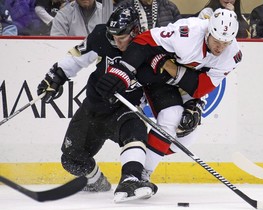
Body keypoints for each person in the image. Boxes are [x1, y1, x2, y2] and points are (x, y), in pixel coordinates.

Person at [94, 8, 242, 182]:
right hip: (153, 73)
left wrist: (193, 102)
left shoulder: (232, 55)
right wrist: (123, 71)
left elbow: (200, 88)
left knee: (187, 133)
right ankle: (140, 174)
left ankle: (142, 166)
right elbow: (144, 41)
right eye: (217, 41)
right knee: (171, 116)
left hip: (176, 79)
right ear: (208, 31)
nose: (220, 48)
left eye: (226, 43)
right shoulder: (187, 34)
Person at [37, 6, 158, 203]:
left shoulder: (148, 47)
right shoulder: (102, 36)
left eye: (121, 38)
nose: (116, 43)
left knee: (136, 133)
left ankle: (131, 179)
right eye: (113, 37)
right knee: (70, 159)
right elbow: (76, 59)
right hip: (93, 109)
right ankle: (97, 181)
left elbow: (157, 85)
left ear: (135, 31)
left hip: (124, 111)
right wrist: (55, 77)